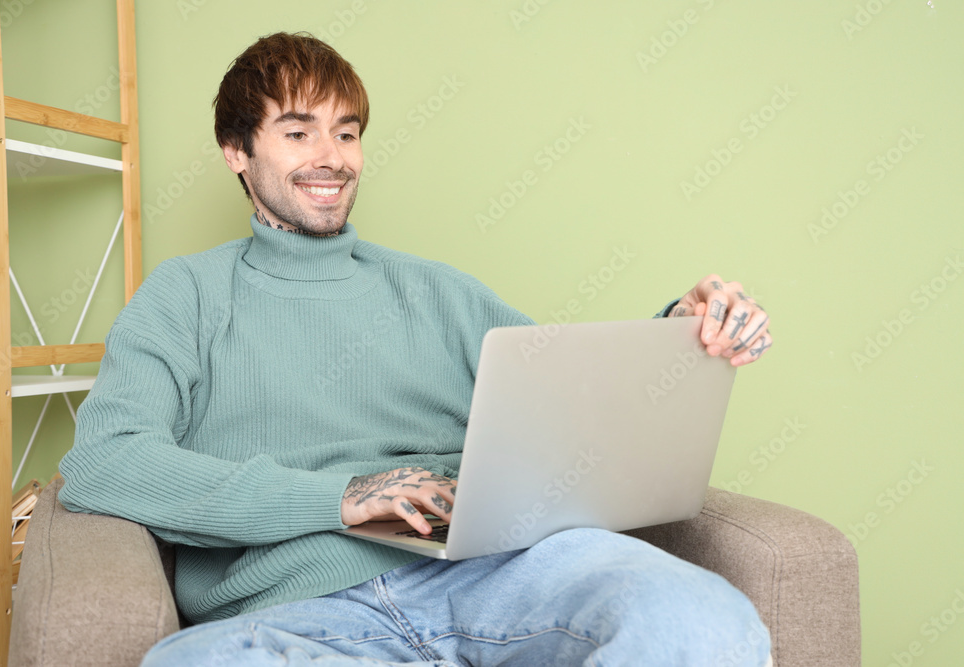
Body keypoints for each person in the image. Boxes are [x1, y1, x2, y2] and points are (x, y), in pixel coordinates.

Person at [57, 32, 774, 666]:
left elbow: (565, 394)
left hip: (498, 574)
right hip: (302, 615)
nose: (331, 158)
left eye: (346, 133)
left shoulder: (437, 292)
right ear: (237, 151)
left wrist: (678, 330)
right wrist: (338, 499)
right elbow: (104, 460)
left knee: (704, 619)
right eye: (299, 133)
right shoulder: (184, 295)